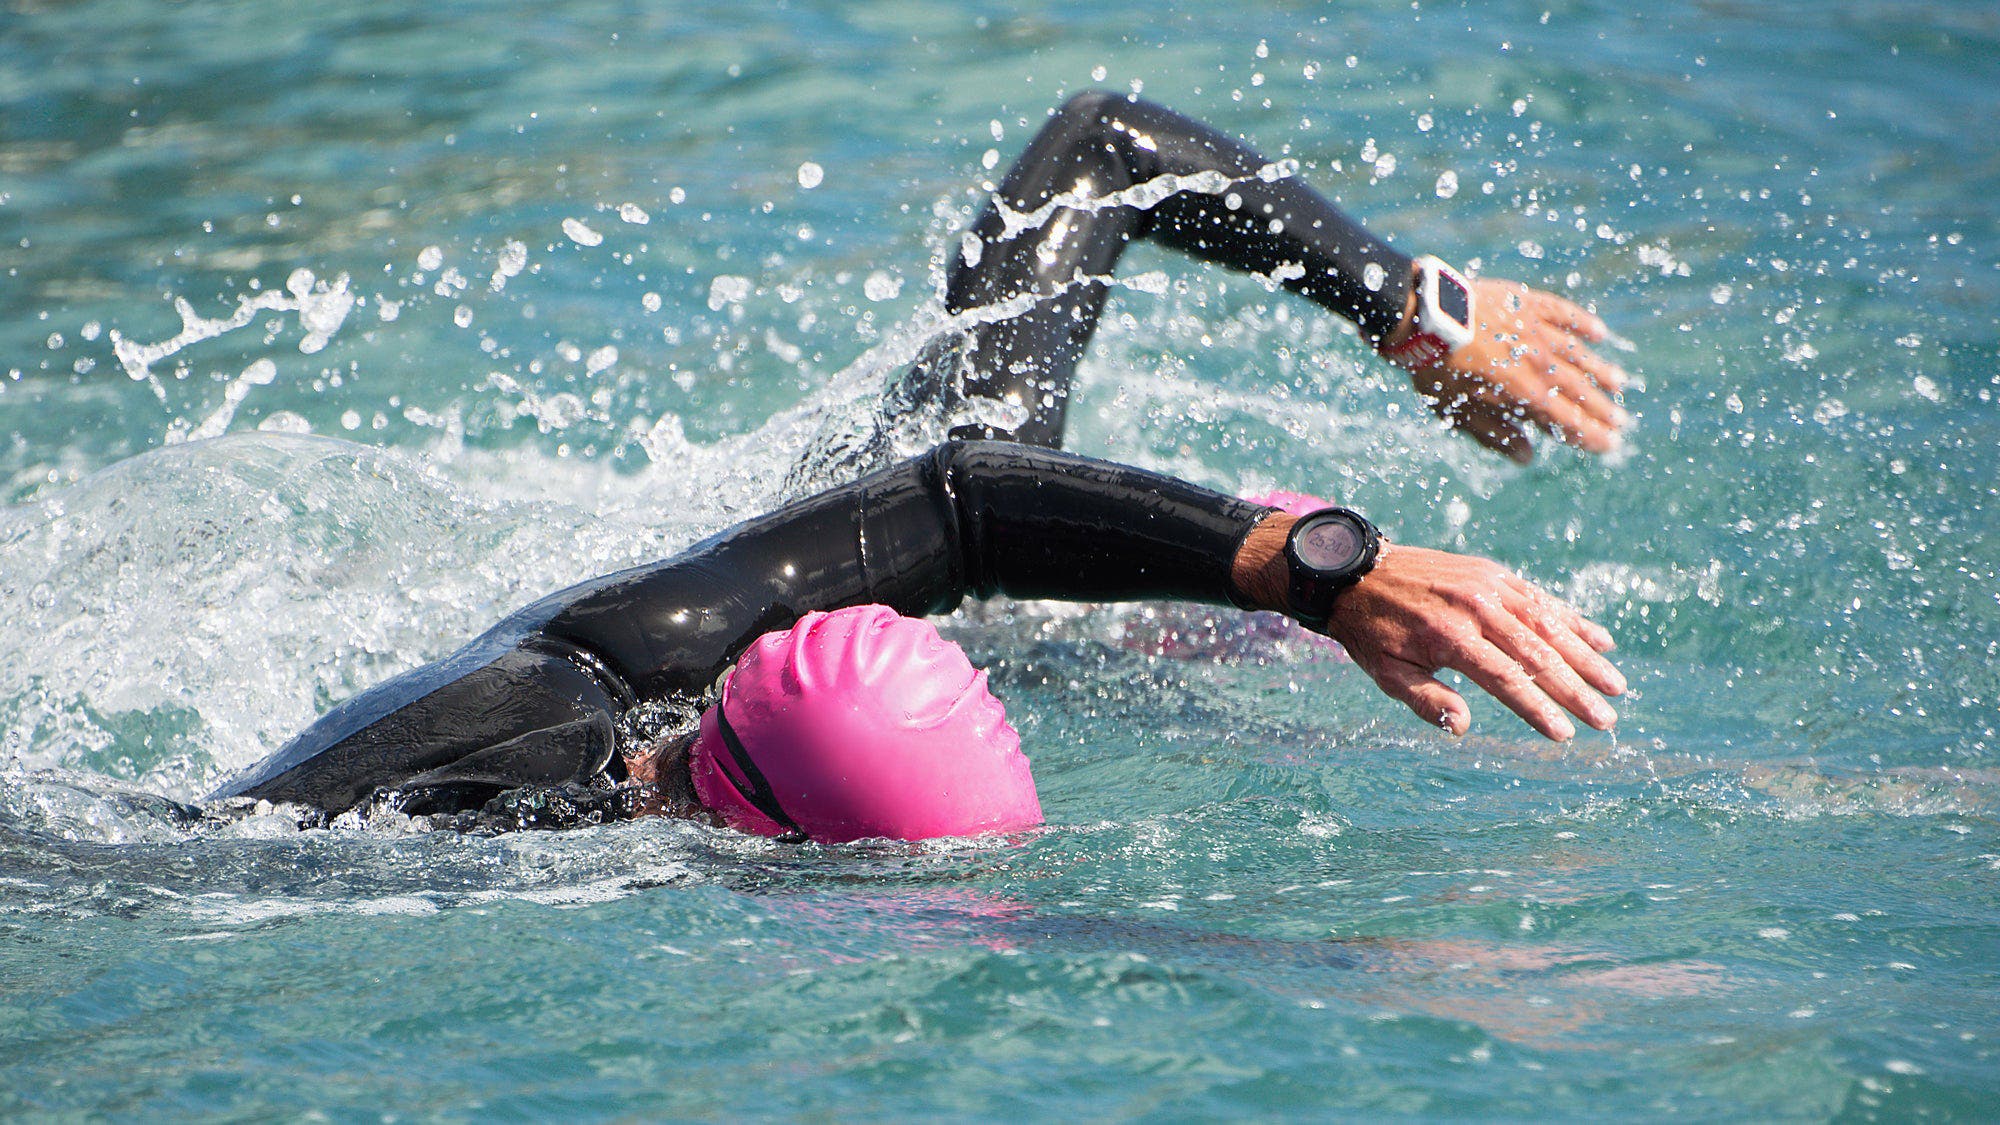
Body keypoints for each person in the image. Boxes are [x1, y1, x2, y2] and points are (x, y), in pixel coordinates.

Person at [207, 94, 1631, 836]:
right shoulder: (547, 724)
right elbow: (968, 499)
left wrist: (1411, 311)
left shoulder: (730, 647)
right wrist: (1303, 573)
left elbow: (1104, 154)